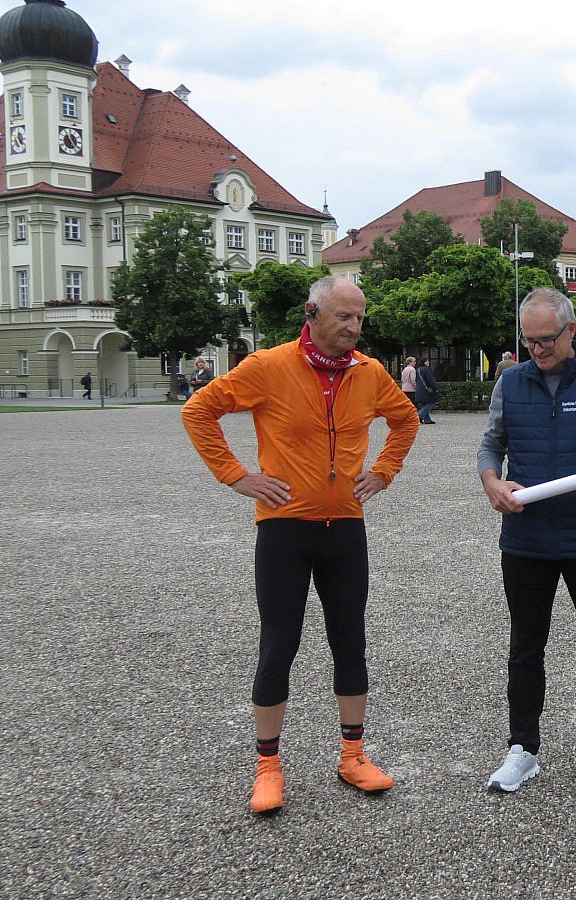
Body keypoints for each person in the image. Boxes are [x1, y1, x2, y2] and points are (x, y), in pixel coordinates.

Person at [182, 275, 420, 816]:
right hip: (284, 528)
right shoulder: (268, 366)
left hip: (345, 527)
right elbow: (199, 411)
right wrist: (237, 476)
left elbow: (405, 420)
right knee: (279, 644)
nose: (355, 327)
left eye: (360, 318)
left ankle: (353, 756)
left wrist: (384, 470)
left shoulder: (369, 372)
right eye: (344, 317)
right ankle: (268, 766)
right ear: (312, 314)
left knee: (350, 641)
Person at [478, 288, 576, 796]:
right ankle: (522, 749)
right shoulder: (511, 381)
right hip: (525, 540)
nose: (537, 349)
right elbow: (491, 445)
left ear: (571, 331)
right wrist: (491, 481)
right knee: (525, 648)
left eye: (546, 339)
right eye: (529, 340)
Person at [415, 357, 439, 425]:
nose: (428, 362)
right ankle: (420, 415)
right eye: (427, 361)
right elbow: (430, 380)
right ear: (424, 362)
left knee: (425, 403)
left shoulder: (418, 369)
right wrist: (435, 388)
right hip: (427, 389)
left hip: (420, 389)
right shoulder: (426, 369)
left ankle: (427, 419)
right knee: (431, 402)